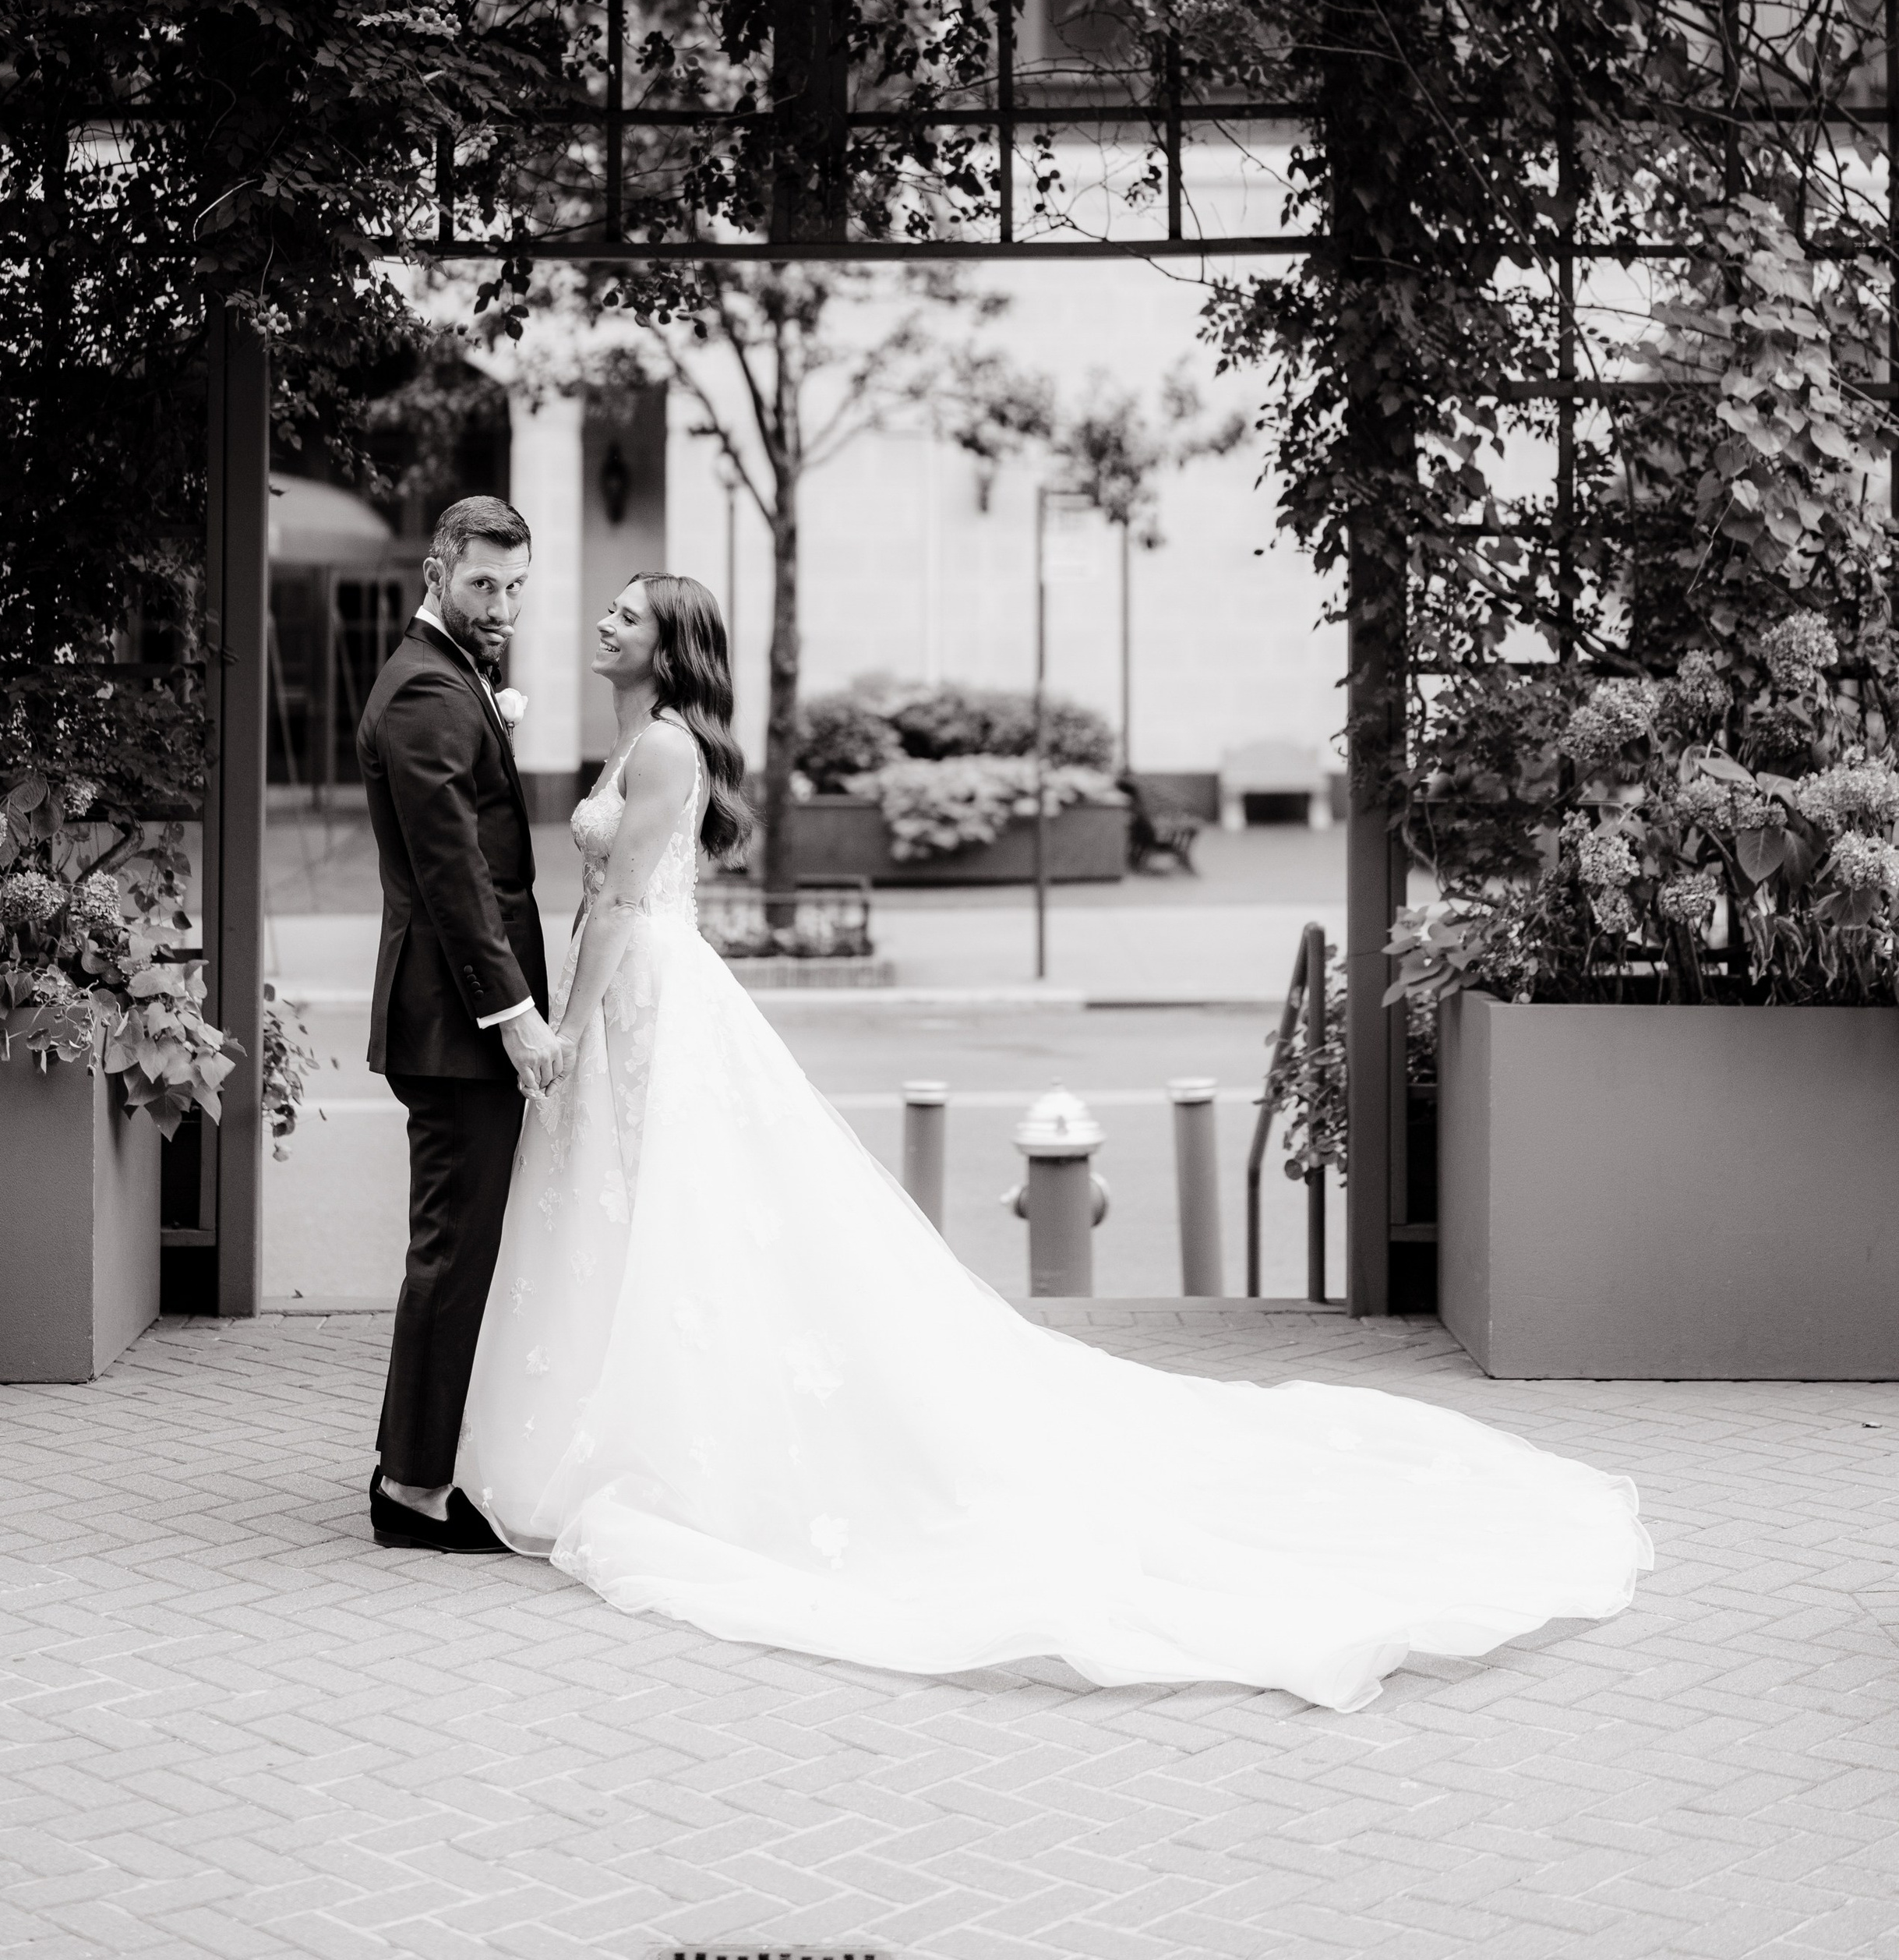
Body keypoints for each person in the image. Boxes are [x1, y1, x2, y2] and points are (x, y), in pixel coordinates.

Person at [457, 571, 1652, 1707]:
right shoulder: (636, 740)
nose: (602, 624)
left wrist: (563, 1024)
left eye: (626, 617)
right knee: (656, 1211)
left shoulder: (661, 745)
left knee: (686, 1208)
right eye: (607, 614)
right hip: (631, 993)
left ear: (667, 649)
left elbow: (620, 902)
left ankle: (682, 1444)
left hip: (649, 995)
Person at [357, 496, 570, 1553]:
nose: (504, 605)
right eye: (485, 583)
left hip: (452, 1018)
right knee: (453, 1250)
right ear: (439, 571)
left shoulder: (443, 678)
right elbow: (457, 880)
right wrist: (518, 1016)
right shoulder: (427, 694)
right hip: (457, 1022)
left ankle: (411, 1459)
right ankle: (414, 1495)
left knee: (455, 1244)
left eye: (518, 585)